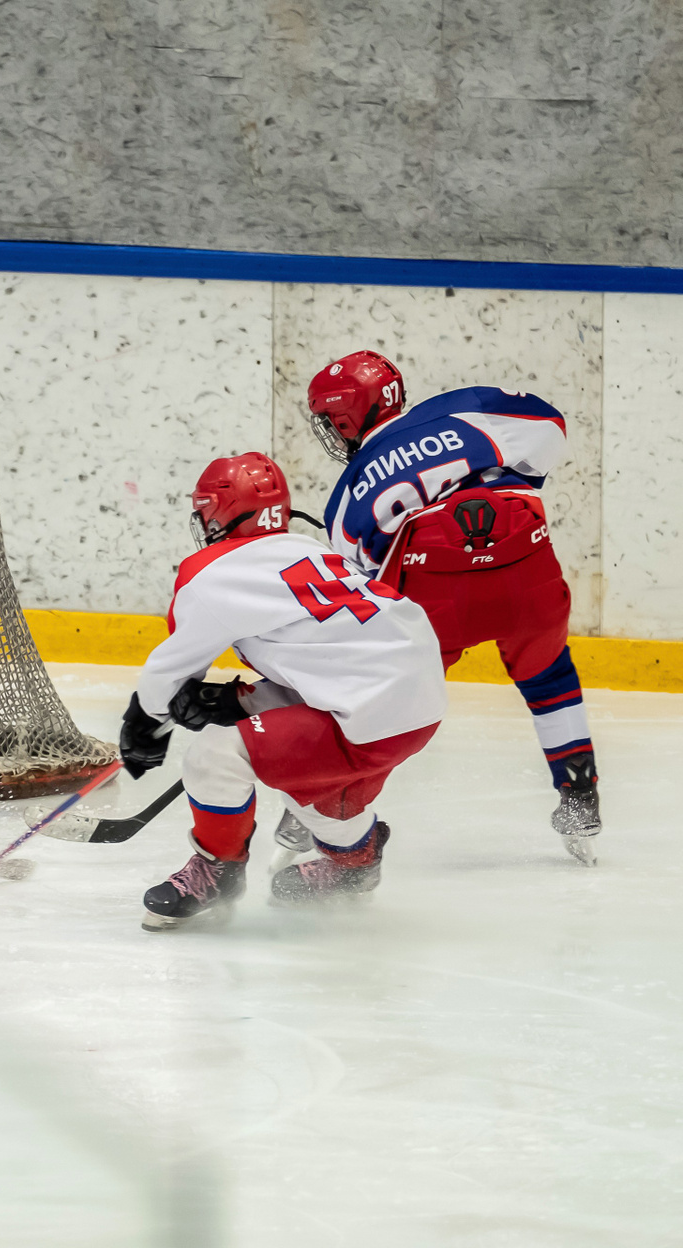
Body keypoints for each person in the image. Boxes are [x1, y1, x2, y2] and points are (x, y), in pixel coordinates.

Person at [123, 453, 446, 931]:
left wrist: (146, 722)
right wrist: (236, 701)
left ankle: (217, 872)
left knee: (217, 754)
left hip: (363, 710)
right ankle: (357, 864)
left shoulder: (212, 570)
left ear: (220, 512)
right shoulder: (312, 549)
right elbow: (329, 651)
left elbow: (171, 670)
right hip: (414, 702)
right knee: (315, 789)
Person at [305, 351, 600, 863]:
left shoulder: (348, 492)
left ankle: (328, 807)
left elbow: (365, 581)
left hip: (436, 605)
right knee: (549, 674)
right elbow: (550, 426)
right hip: (527, 574)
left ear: (347, 418)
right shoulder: (468, 408)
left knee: (387, 705)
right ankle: (580, 794)